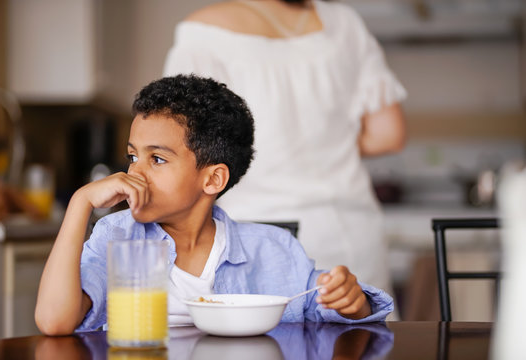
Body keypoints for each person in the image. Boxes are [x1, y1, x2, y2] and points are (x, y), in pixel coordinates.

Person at [34, 74, 393, 335]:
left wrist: (352, 299)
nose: (135, 172)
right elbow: (55, 321)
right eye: (132, 156)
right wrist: (81, 203)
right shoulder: (119, 236)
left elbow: (327, 307)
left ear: (213, 180)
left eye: (157, 159)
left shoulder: (272, 249)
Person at [163, 0, 407, 301]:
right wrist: (323, 144)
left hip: (254, 241)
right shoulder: (345, 25)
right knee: (361, 340)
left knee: (264, 346)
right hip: (351, 234)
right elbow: (388, 135)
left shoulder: (203, 32)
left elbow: (183, 146)